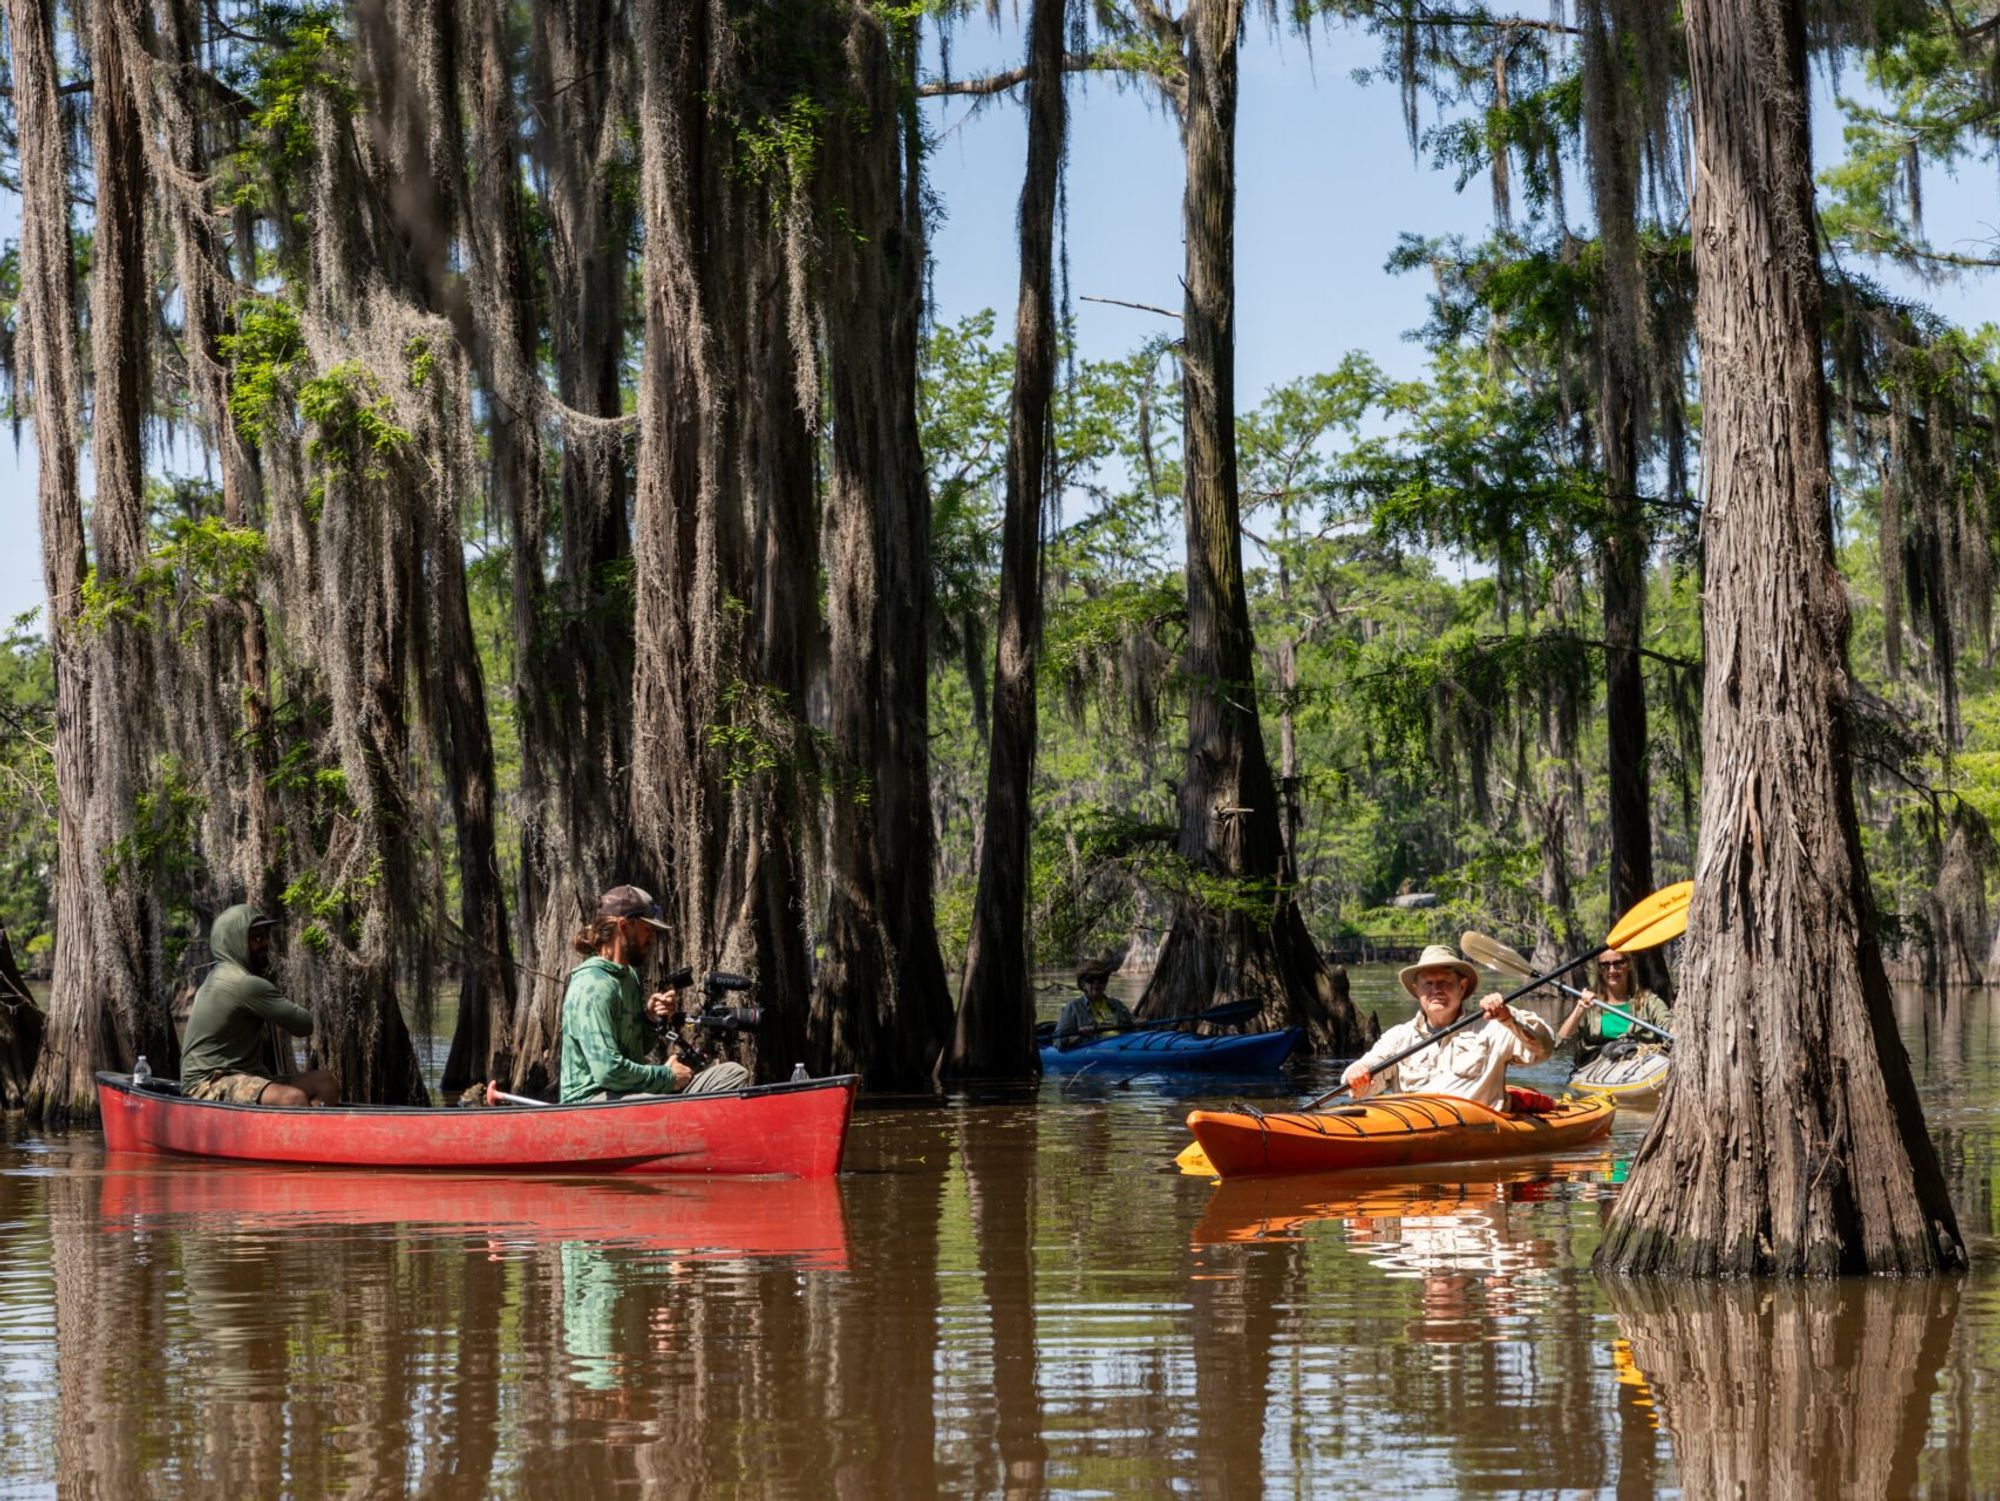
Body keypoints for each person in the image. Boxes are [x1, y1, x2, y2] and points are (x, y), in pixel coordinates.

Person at [557, 885, 750, 1103]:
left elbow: (639, 1049)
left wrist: (650, 1018)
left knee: (732, 1074)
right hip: (592, 1101)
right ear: (624, 926)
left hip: (630, 1093)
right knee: (651, 1100)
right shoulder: (592, 986)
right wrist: (667, 1076)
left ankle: (683, 1126)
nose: (652, 938)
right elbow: (607, 1071)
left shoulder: (629, 976)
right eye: (647, 929)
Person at [1339, 944, 1555, 1110]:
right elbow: (1367, 1073)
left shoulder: (1494, 1027)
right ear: (1417, 991)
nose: (1436, 990)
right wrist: (1356, 1074)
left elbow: (1543, 1049)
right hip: (1411, 1125)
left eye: (1444, 982)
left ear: (1462, 987)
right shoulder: (1399, 1036)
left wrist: (1509, 1018)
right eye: (1428, 984)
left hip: (1476, 1132)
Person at [178, 904, 340, 1106]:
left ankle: (310, 1133)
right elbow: (304, 1025)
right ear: (235, 943)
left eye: (265, 936)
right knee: (292, 1098)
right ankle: (302, 1133)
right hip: (207, 1084)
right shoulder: (244, 983)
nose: (264, 944)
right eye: (255, 938)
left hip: (246, 1076)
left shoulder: (221, 975)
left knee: (325, 1083)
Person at [1557, 949, 1673, 1067]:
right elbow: (1560, 1042)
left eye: (1618, 963)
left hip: (1642, 1062)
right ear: (1599, 969)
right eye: (1605, 965)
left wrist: (1675, 1029)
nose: (1611, 970)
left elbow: (1668, 1023)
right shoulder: (1590, 1004)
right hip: (1598, 1066)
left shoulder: (1649, 1002)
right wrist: (1579, 1010)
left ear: (1628, 965)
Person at [1053, 960, 1134, 1050]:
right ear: (1083, 984)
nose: (1096, 983)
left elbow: (1134, 1028)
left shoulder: (1117, 1004)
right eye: (1091, 979)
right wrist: (1080, 1035)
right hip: (1096, 1054)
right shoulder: (1073, 1007)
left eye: (1101, 979)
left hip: (1122, 1047)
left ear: (1105, 983)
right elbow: (1058, 1042)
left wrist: (1138, 1023)